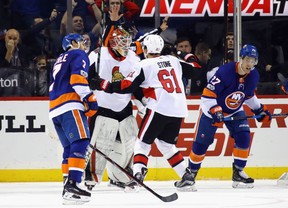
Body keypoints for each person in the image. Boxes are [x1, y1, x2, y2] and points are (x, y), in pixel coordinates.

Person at [94, 34, 196, 192]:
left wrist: (103, 84)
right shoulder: (174, 60)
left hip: (159, 107)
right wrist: (184, 53)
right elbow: (196, 70)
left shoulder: (144, 64)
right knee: (166, 144)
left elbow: (127, 86)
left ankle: (137, 175)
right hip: (178, 109)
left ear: (146, 49)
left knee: (142, 143)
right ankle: (186, 176)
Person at [188, 44, 272, 189]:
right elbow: (208, 95)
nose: (250, 64)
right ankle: (190, 175)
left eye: (254, 61)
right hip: (211, 110)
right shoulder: (225, 71)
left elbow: (249, 95)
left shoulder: (254, 75)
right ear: (241, 58)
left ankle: (238, 173)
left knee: (244, 136)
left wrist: (259, 110)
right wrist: (216, 110)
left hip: (235, 110)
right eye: (248, 60)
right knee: (202, 143)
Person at [84, 8, 142, 191]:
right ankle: (90, 178)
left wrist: (142, 101)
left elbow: (137, 83)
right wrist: (94, 81)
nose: (125, 46)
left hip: (125, 106)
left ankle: (122, 176)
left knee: (130, 143)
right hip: (103, 107)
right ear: (113, 42)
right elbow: (85, 76)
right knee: (100, 145)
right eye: (121, 42)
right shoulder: (98, 54)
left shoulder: (133, 57)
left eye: (127, 42)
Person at [49, 33, 98, 204]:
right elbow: (77, 79)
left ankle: (67, 186)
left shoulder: (58, 59)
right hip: (70, 104)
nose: (84, 45)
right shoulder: (78, 53)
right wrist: (90, 99)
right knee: (81, 141)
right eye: (81, 42)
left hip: (55, 109)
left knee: (70, 148)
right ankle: (73, 185)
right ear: (73, 43)